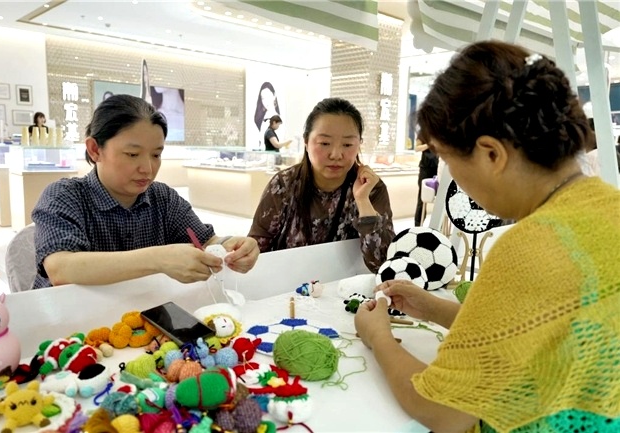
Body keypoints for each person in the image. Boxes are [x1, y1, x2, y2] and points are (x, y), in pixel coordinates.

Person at [355, 40, 620, 432]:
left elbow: (444, 411)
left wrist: (378, 337)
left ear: (491, 154)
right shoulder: (609, 208)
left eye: (448, 160)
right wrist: (433, 309)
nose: (454, 179)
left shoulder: (529, 247)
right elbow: (539, 332)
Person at [32, 94, 259, 290]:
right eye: (132, 154)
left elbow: (205, 241)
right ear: (94, 150)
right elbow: (61, 268)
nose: (148, 169)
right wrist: (158, 259)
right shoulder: (64, 196)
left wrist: (231, 245)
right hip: (69, 320)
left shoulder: (163, 198)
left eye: (156, 155)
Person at [249, 97, 395, 273]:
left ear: (359, 144)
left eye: (347, 144)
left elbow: (384, 264)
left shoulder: (371, 189)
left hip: (346, 286)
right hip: (289, 285)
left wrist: (363, 202)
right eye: (325, 143)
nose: (336, 154)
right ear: (306, 142)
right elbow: (257, 248)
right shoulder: (284, 184)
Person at [413, 138, 439, 226]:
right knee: (422, 198)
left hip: (439, 167)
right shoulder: (424, 133)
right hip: (426, 168)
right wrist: (430, 144)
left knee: (440, 198)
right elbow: (417, 148)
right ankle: (418, 225)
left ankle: (438, 224)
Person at [253, 82, 280, 148]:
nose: (266, 101)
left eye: (268, 96)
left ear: (274, 96)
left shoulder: (277, 118)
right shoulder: (262, 118)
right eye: (263, 98)